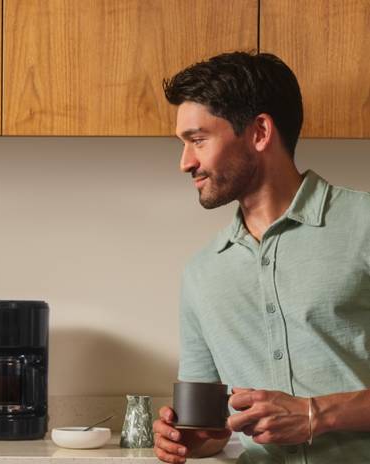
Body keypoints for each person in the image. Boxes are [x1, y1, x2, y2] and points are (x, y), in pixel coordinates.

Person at [153, 51, 370, 464]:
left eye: (198, 140)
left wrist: (314, 414)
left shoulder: (364, 225)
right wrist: (194, 438)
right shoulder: (202, 271)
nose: (185, 163)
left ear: (259, 132)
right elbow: (212, 427)